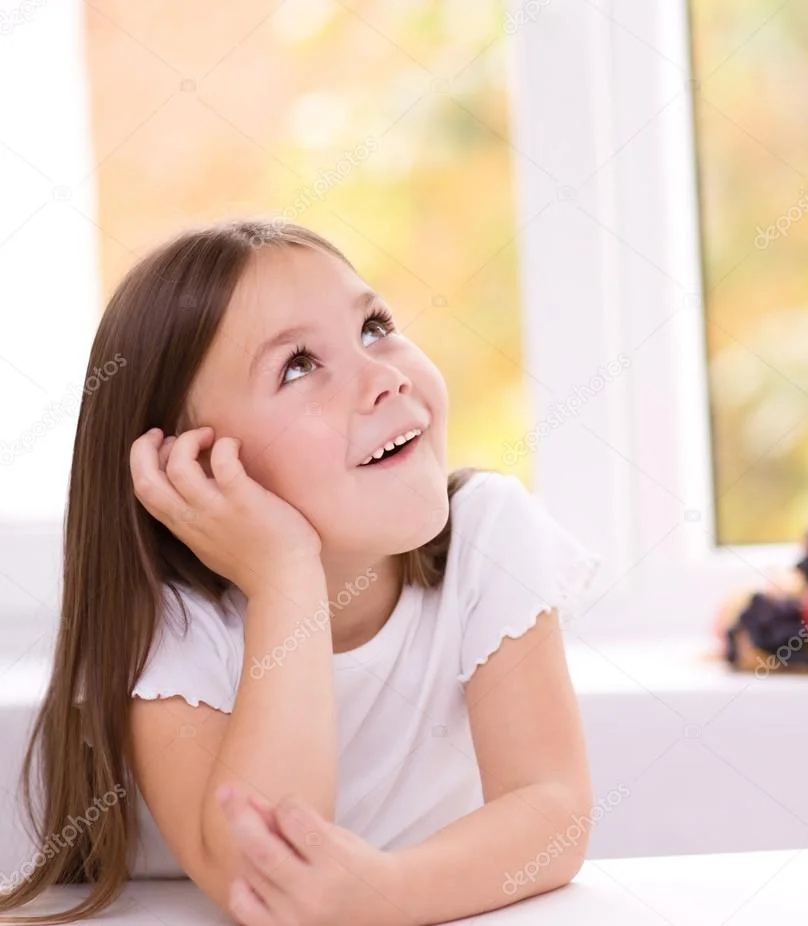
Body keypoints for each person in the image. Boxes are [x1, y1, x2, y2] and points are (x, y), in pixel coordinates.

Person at [0, 218, 602, 925]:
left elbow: (552, 810)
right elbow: (258, 874)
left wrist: (384, 893)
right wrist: (286, 577)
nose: (384, 376)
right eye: (298, 366)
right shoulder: (172, 617)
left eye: (374, 326)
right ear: (192, 467)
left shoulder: (488, 533)